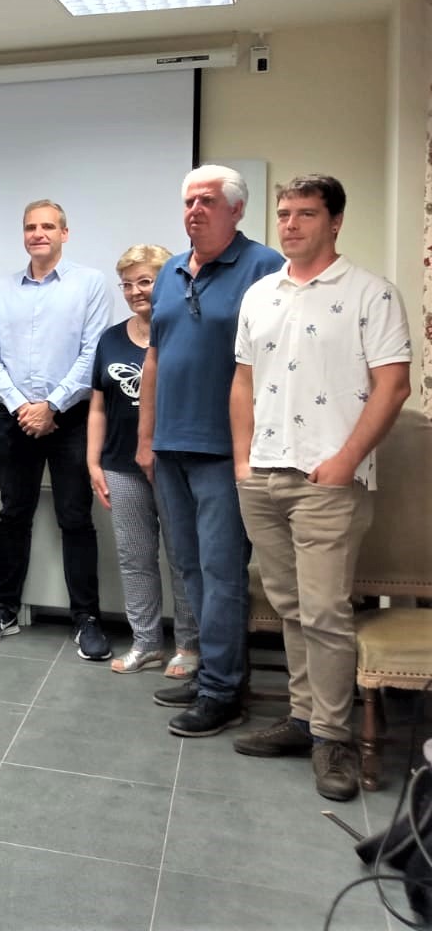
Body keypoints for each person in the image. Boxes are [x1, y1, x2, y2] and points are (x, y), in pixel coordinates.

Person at [229, 175, 411, 799]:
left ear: (335, 221)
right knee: (288, 607)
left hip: (328, 479)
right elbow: (244, 384)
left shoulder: (371, 294)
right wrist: (240, 461)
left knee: (327, 611)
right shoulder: (259, 295)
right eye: (283, 214)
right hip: (263, 475)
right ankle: (304, 719)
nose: (291, 224)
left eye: (306, 213)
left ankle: (333, 737)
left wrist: (346, 459)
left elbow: (393, 385)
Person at [138, 164, 284, 738]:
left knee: (223, 572)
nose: (194, 210)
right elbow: (154, 360)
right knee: (190, 570)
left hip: (226, 449)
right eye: (188, 201)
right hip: (169, 445)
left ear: (236, 209)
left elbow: (270, 365)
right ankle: (207, 674)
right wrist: (146, 440)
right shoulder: (171, 271)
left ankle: (224, 692)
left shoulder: (265, 267)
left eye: (207, 201)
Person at [0, 200, 113, 662]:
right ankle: (4, 609)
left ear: (64, 233)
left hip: (70, 418)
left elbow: (92, 353)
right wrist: (23, 407)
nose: (38, 234)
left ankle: (86, 618)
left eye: (48, 226)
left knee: (74, 517)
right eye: (31, 227)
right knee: (14, 514)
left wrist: (51, 405)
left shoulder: (90, 284)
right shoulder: (1, 289)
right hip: (14, 417)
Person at [87, 244, 200, 676]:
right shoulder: (111, 339)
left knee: (182, 558)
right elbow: (97, 406)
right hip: (121, 467)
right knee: (135, 560)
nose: (136, 291)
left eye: (145, 281)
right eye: (128, 284)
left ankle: (189, 647)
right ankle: (147, 643)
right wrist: (94, 463)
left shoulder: (186, 331)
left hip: (174, 467)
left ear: (166, 282)